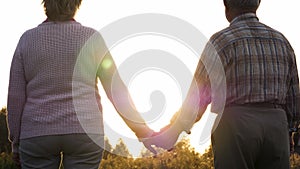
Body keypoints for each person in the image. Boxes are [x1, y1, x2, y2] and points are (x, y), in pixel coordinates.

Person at [7, 0, 156, 168]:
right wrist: (143, 131)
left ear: (45, 3)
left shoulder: (27, 40)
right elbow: (117, 91)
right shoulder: (92, 38)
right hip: (85, 131)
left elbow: (15, 98)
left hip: (37, 133)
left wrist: (16, 142)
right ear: (77, 4)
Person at [153, 0, 300, 168]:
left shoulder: (222, 40)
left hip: (235, 125)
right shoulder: (281, 41)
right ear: (258, 3)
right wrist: (290, 130)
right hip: (276, 124)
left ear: (226, 6)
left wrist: (174, 131)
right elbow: (294, 97)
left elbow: (199, 95)